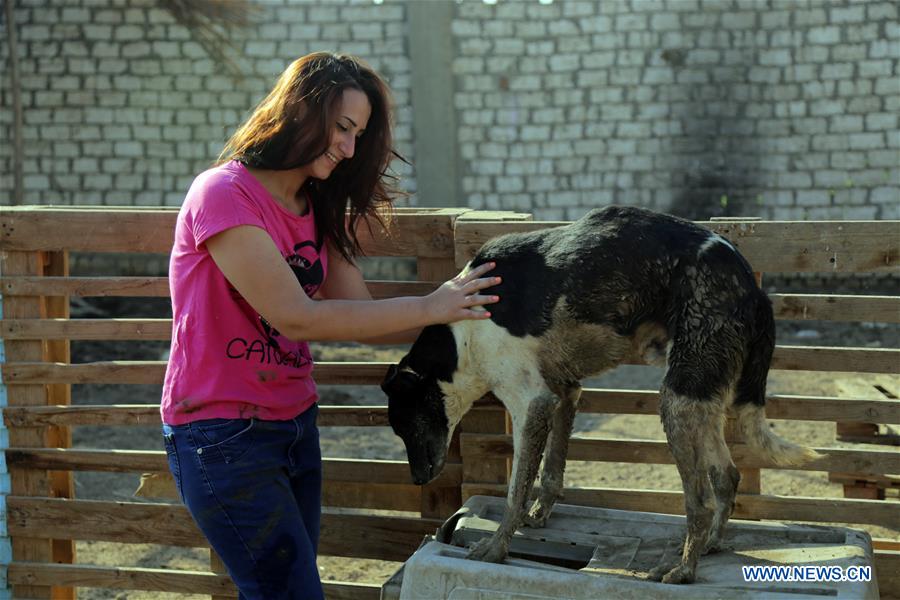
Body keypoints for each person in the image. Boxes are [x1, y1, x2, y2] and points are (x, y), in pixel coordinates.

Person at [159, 52, 500, 599]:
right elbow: (297, 317)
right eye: (342, 128)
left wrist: (468, 310)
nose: (348, 147)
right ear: (300, 112)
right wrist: (432, 305)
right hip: (222, 432)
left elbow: (365, 318)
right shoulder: (223, 194)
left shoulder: (315, 207)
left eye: (358, 135)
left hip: (294, 424)